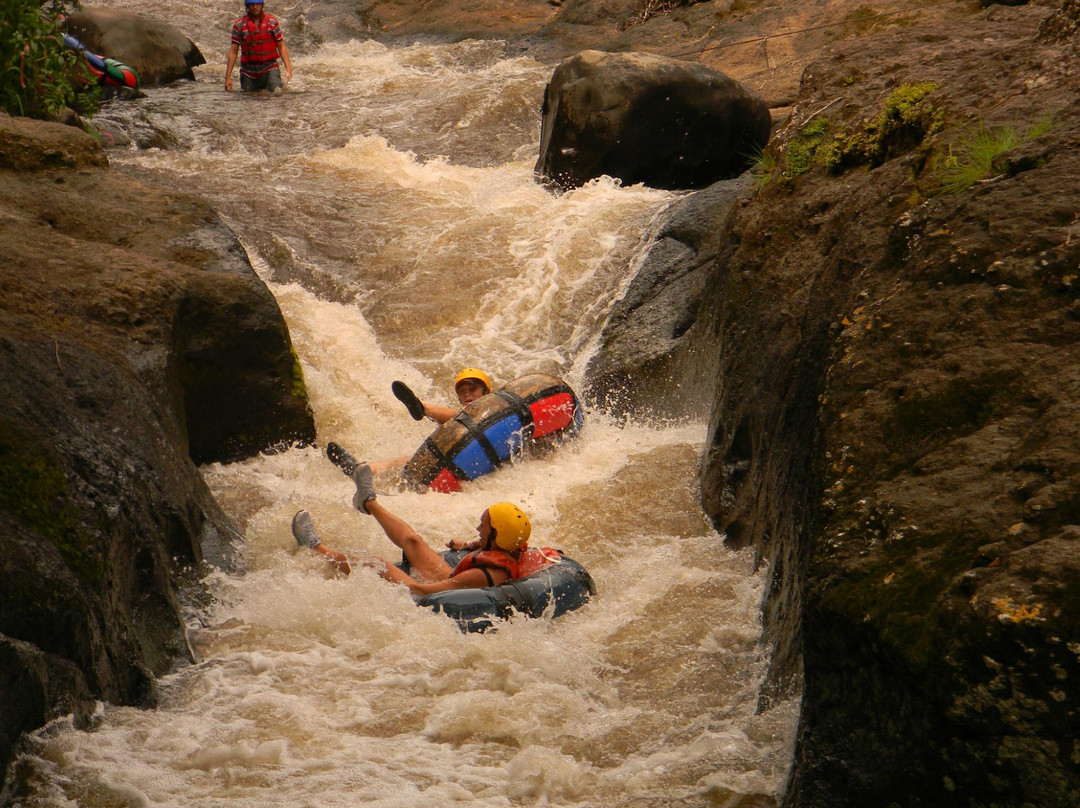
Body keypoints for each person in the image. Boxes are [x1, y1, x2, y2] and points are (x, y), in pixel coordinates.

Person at [290, 462, 560, 594]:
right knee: (414, 541)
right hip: (454, 578)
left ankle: (316, 548)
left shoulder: (483, 576)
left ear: (497, 534)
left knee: (375, 562)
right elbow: (488, 547)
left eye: (484, 525)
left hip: (430, 592)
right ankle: (368, 502)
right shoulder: (510, 547)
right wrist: (466, 546)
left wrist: (399, 576)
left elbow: (426, 591)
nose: (478, 527)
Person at [326, 367, 493, 477]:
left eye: (472, 389)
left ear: (486, 390)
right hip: (457, 463)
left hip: (478, 462)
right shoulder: (458, 417)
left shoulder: (495, 409)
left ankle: (422, 408)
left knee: (461, 416)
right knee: (406, 460)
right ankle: (360, 470)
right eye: (462, 392)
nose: (467, 394)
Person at [224, 0, 293, 93]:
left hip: (269, 68)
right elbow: (233, 52)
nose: (255, 7)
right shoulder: (239, 25)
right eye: (252, 5)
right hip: (248, 71)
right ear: (247, 6)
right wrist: (228, 77)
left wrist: (288, 69)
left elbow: (281, 46)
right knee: (248, 99)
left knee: (277, 96)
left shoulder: (272, 22)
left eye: (258, 4)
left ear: (262, 5)